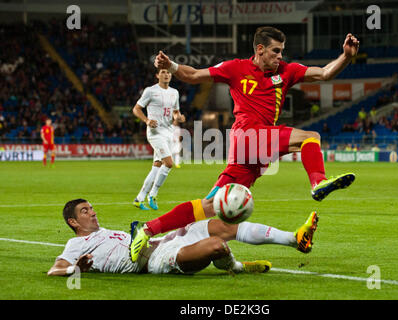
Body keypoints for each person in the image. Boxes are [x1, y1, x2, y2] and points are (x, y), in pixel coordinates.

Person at [130, 27, 357, 261]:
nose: (280, 56)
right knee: (311, 137)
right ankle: (318, 182)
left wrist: (346, 57)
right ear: (260, 49)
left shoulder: (287, 71)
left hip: (251, 156)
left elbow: (324, 73)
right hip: (249, 136)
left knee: (210, 207)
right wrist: (172, 66)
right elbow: (194, 75)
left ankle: (147, 230)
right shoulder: (236, 68)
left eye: (282, 51)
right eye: (275, 51)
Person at [47, 199, 319, 276]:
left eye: (91, 207)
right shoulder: (75, 244)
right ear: (73, 222)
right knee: (217, 246)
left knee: (218, 225)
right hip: (153, 261)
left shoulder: (106, 232)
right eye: (85, 211)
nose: (92, 212)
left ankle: (295, 239)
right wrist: (76, 269)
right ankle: (236, 267)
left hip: (160, 243)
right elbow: (54, 270)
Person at [132, 68, 186, 210]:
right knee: (168, 163)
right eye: (163, 72)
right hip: (155, 132)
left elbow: (175, 111)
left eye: (168, 72)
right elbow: (136, 109)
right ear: (157, 75)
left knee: (156, 166)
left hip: (168, 131)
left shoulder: (175, 92)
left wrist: (178, 117)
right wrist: (147, 120)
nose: (166, 74)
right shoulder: (150, 91)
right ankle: (153, 194)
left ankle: (139, 198)